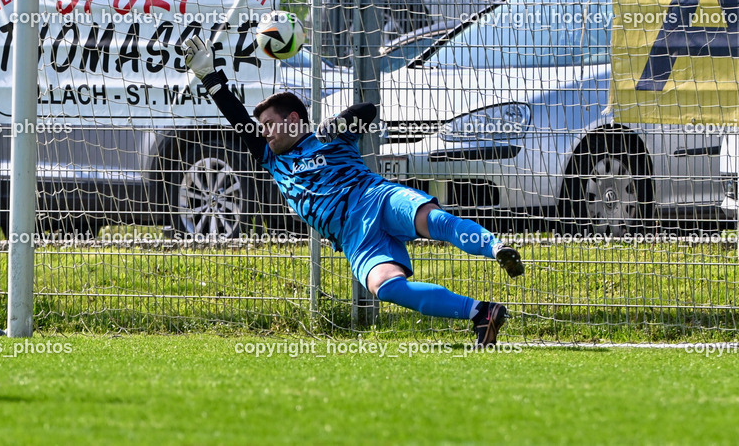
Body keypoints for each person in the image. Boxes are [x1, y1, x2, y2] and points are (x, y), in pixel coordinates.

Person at [182, 35, 525, 347]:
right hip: (353, 237)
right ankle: (481, 313)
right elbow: (236, 116)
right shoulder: (273, 159)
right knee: (387, 287)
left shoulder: (331, 139)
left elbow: (368, 111)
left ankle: (497, 247)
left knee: (433, 220)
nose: (265, 133)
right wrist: (210, 77)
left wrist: (339, 123)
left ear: (294, 119)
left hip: (375, 197)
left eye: (270, 124)